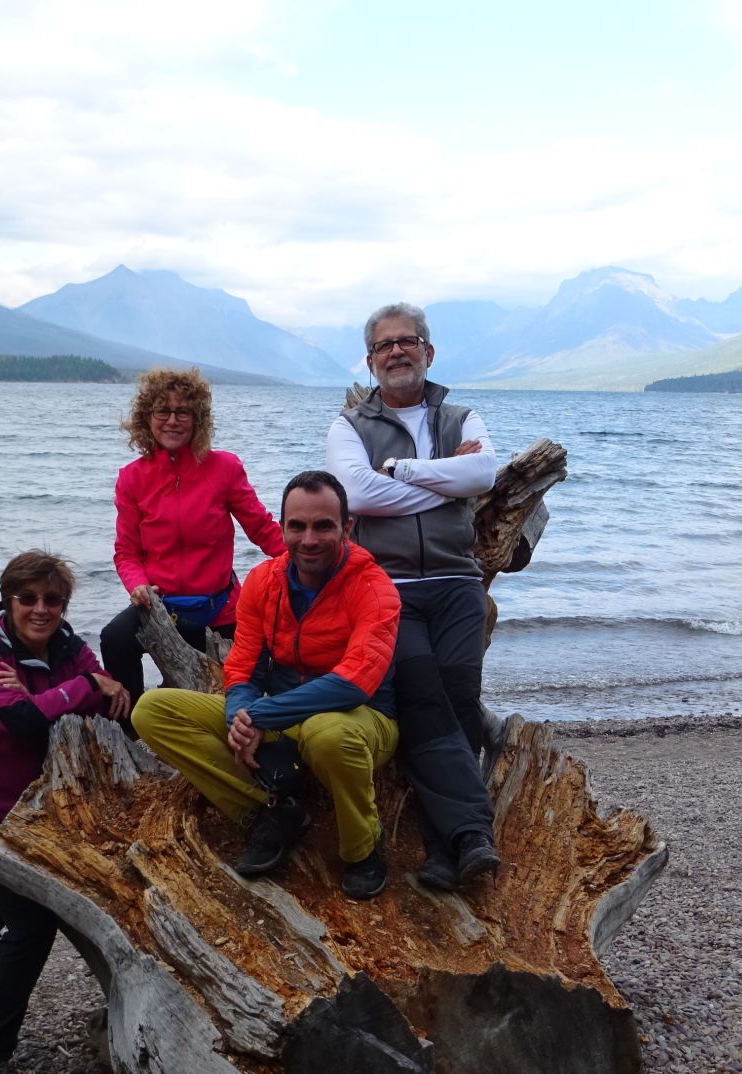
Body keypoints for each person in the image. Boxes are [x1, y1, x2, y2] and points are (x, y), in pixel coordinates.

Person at [131, 470, 401, 899]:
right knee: (152, 709)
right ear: (282, 528)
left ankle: (362, 850)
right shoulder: (263, 581)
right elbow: (241, 669)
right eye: (297, 526)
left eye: (323, 526)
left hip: (363, 722)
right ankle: (266, 813)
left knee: (327, 732)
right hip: (283, 715)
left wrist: (258, 714)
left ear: (347, 528)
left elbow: (354, 684)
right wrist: (239, 718)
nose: (308, 539)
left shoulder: (374, 588)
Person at [0, 550, 130, 1074]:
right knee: (31, 922)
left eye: (53, 599)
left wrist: (76, 689)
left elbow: (112, 699)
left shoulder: (69, 647)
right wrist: (78, 688)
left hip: (39, 808)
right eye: (28, 599)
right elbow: (22, 721)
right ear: (7, 600)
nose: (41, 609)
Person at [325, 302, 501, 892]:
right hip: (389, 587)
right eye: (385, 345)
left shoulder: (462, 415)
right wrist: (441, 480)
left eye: (409, 341)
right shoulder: (349, 427)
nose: (397, 351)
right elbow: (355, 493)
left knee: (460, 694)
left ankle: (445, 848)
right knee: (425, 696)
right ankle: (469, 836)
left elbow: (484, 477)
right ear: (370, 360)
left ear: (429, 350)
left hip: (455, 581)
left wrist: (396, 471)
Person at [101, 367, 285, 710]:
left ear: (198, 419)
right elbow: (127, 552)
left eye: (182, 411)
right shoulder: (132, 478)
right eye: (163, 411)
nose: (172, 420)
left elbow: (262, 528)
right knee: (114, 639)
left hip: (221, 610)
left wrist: (307, 561)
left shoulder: (225, 468)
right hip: (160, 608)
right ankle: (132, 729)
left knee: (245, 683)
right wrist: (138, 586)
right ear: (147, 418)